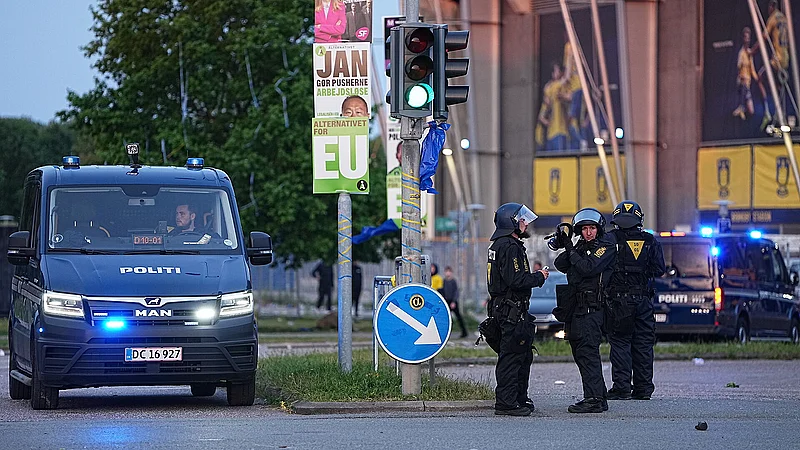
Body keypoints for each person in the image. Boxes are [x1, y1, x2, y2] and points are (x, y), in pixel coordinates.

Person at [487, 202, 549, 416]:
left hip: (504, 308)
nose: (524, 223)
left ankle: (518, 398)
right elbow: (516, 279)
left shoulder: (498, 245)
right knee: (512, 357)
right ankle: (506, 403)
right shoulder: (510, 247)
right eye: (521, 220)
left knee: (521, 356)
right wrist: (539, 277)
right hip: (511, 310)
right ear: (511, 222)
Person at [553, 208, 616, 413]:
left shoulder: (605, 247)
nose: (588, 233)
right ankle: (595, 394)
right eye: (585, 229)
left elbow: (588, 268)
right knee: (580, 353)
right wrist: (566, 243)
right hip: (577, 309)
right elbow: (560, 263)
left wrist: (572, 249)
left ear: (599, 229)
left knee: (588, 352)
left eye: (592, 228)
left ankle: (595, 399)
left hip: (592, 308)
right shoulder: (580, 246)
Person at [604, 201, 666, 401]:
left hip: (619, 301)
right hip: (643, 302)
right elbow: (660, 269)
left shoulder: (610, 239)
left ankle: (622, 388)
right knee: (643, 344)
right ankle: (643, 389)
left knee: (621, 343)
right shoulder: (650, 241)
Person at [537, 62, 568, 151]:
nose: (559, 72)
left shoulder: (548, 87)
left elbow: (541, 116)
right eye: (557, 70)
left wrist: (548, 123)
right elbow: (566, 78)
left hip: (550, 134)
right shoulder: (555, 86)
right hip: (559, 130)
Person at [442, 266, 468, 339]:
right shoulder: (444, 281)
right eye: (446, 271)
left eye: (449, 272)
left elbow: (456, 292)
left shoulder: (453, 281)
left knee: (458, 317)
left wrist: (453, 301)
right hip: (446, 301)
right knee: (446, 318)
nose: (448, 273)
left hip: (453, 301)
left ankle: (464, 332)